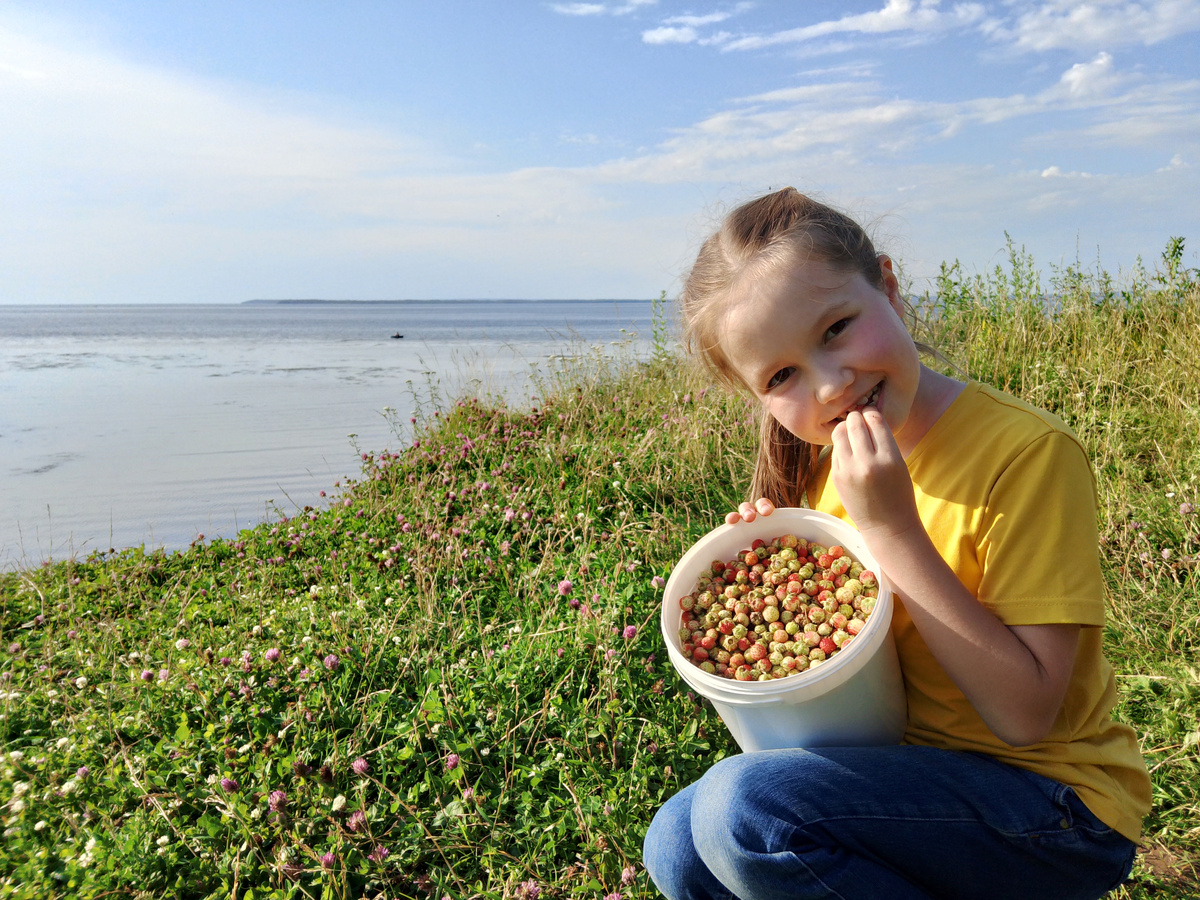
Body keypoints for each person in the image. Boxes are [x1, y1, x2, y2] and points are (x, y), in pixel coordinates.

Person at [642, 188, 1150, 900]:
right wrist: (767, 561)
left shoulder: (1024, 455)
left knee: (744, 809)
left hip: (1055, 807)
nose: (831, 385)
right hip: (911, 781)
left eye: (837, 328)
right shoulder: (822, 474)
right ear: (756, 397)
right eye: (782, 377)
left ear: (889, 286)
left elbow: (1025, 715)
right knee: (674, 841)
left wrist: (889, 528)